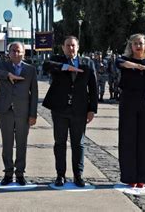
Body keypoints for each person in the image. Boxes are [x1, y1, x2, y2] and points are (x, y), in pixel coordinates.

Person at [42, 36, 98, 187]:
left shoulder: (87, 63)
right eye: (68, 46)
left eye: (73, 46)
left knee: (78, 143)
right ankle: (60, 175)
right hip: (60, 109)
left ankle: (78, 175)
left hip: (79, 110)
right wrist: (65, 67)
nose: (70, 48)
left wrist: (92, 109)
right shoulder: (57, 60)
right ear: (63, 47)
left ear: (78, 47)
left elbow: (93, 88)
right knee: (59, 142)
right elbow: (46, 66)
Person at [0, 42, 38, 186]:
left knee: (22, 144)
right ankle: (8, 173)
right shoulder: (2, 65)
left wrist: (33, 114)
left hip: (23, 112)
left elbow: (34, 94)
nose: (15, 53)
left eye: (18, 51)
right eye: (13, 51)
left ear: (23, 53)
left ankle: (20, 173)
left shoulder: (30, 69)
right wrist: (7, 75)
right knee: (7, 144)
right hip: (5, 110)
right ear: (8, 53)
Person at [116, 33, 145, 188]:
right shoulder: (123, 60)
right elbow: (121, 63)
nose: (138, 46)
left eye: (141, 43)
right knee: (128, 138)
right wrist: (137, 66)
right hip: (128, 102)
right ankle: (130, 177)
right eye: (135, 43)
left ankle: (143, 177)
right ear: (131, 45)